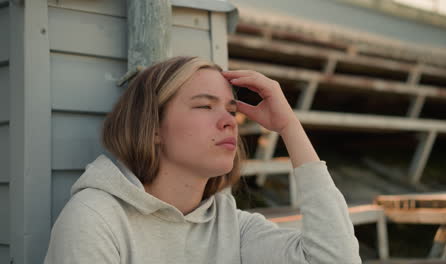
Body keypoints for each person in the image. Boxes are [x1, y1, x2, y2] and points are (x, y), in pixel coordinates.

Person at [44, 56, 361, 263]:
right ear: (153, 127)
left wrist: (289, 126)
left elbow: (335, 259)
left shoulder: (231, 226)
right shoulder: (95, 220)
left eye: (231, 110)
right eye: (204, 105)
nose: (228, 122)